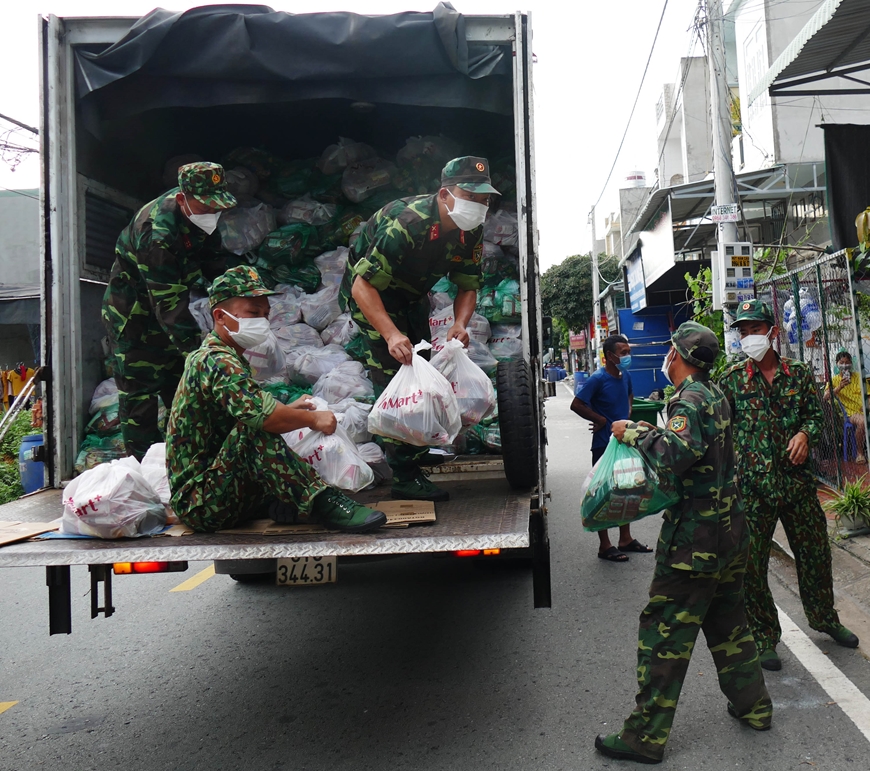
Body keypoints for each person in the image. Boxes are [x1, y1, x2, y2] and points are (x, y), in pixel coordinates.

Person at [595, 321, 772, 765]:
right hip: (731, 533)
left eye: (670, 351)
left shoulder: (690, 399)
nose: (666, 358)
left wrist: (634, 433)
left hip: (696, 542)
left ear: (678, 356)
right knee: (730, 624)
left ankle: (644, 738)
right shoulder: (715, 394)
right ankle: (755, 708)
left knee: (664, 634)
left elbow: (676, 452)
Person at [166, 265, 387, 534]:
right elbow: (263, 417)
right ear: (220, 317)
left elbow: (237, 414)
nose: (262, 321)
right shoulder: (215, 360)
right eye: (252, 313)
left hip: (221, 483)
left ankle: (285, 502)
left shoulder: (224, 356)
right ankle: (323, 502)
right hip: (200, 503)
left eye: (265, 314)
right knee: (255, 430)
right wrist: (313, 418)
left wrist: (290, 411)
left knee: (267, 422)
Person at [339, 156, 498, 502]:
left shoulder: (470, 231)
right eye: (470, 196)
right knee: (398, 373)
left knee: (421, 362)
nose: (479, 206)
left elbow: (468, 285)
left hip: (412, 295)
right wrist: (391, 334)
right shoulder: (406, 223)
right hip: (372, 295)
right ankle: (405, 475)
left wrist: (459, 323)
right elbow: (362, 288)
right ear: (445, 194)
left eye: (484, 199)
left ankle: (415, 442)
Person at [719, 299, 859, 673]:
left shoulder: (797, 374)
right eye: (743, 331)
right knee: (752, 566)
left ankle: (824, 618)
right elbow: (717, 430)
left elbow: (816, 416)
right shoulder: (732, 380)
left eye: (755, 329)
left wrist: (804, 434)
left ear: (773, 332)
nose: (749, 337)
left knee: (815, 555)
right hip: (753, 490)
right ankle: (765, 637)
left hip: (797, 486)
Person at [103, 161, 238, 461]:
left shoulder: (200, 214)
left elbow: (215, 260)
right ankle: (146, 470)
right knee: (141, 401)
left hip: (166, 312)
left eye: (218, 207)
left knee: (181, 390)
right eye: (207, 207)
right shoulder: (156, 235)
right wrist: (203, 355)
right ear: (182, 199)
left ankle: (183, 460)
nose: (213, 214)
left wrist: (241, 293)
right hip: (134, 320)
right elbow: (168, 305)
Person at [571, 334, 652, 562]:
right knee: (603, 492)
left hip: (624, 443)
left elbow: (629, 395)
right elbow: (576, 403)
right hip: (603, 445)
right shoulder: (598, 379)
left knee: (626, 489)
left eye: (628, 352)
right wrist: (600, 420)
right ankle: (604, 545)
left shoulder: (624, 376)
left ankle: (625, 538)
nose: (627, 356)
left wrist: (627, 418)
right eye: (623, 353)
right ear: (609, 356)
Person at [823, 350, 867, 463]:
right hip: (851, 413)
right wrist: (839, 387)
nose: (845, 365)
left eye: (847, 362)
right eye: (841, 362)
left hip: (865, 409)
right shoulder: (835, 380)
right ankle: (860, 453)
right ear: (837, 364)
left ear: (851, 364)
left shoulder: (859, 377)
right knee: (862, 422)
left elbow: (868, 394)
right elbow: (826, 397)